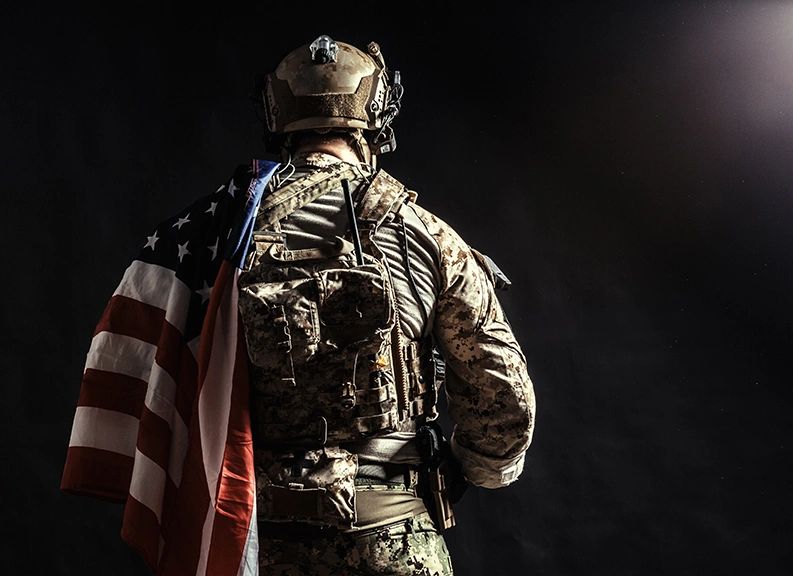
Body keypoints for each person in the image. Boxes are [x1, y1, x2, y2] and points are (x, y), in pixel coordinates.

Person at [61, 34, 535, 576]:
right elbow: (503, 400)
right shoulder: (424, 237)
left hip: (246, 541)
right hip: (390, 538)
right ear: (376, 112)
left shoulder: (212, 231)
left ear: (276, 113)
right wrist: (481, 468)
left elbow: (147, 372)